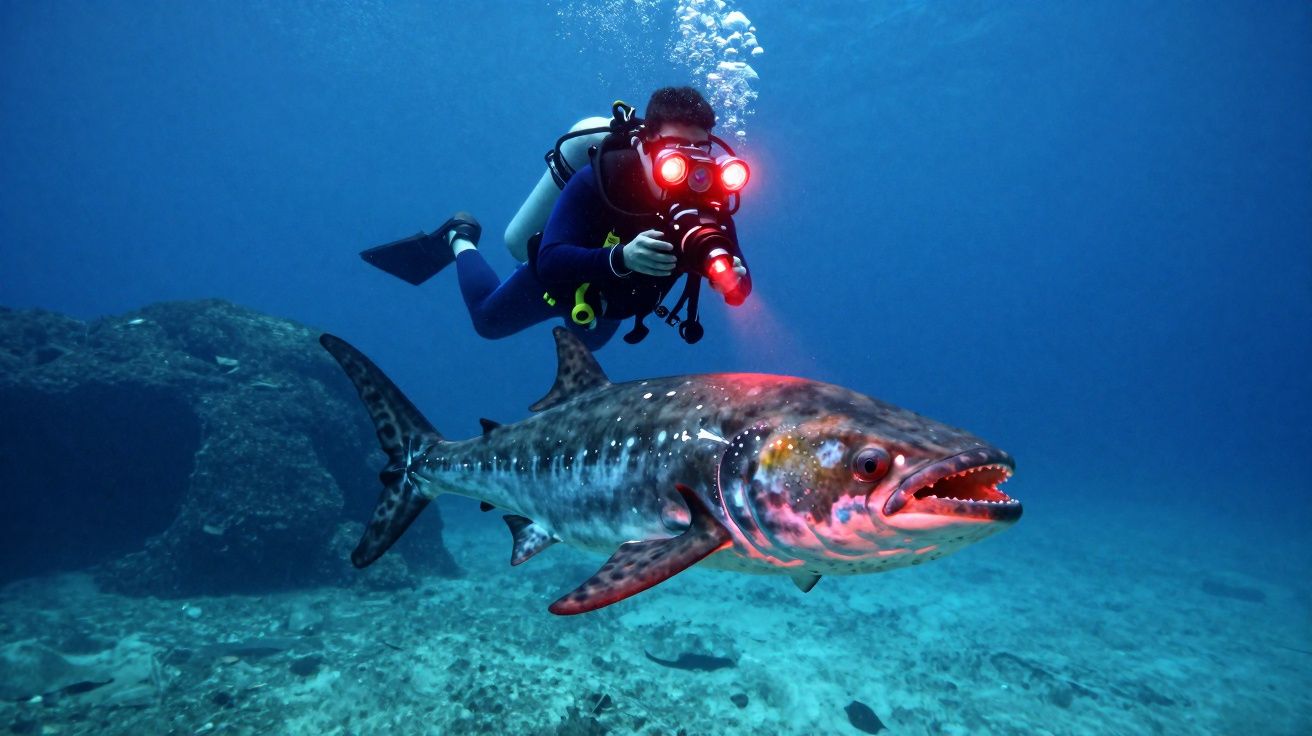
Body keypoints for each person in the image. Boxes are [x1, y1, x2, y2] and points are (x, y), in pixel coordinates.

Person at [361, 86, 751, 349]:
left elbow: (739, 284)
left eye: (701, 151)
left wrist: (733, 280)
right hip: (561, 278)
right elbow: (549, 260)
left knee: (591, 342)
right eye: (676, 152)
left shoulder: (710, 203)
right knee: (487, 323)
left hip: (612, 302)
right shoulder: (602, 180)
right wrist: (622, 258)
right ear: (647, 145)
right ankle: (459, 236)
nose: (693, 167)